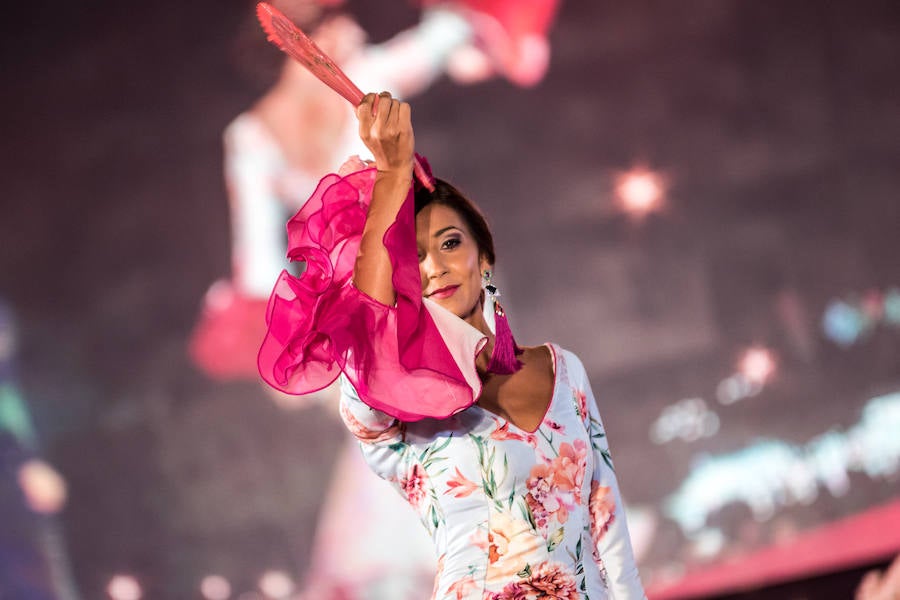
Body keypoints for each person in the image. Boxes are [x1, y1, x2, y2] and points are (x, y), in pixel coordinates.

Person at [257, 91, 647, 598]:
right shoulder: (392, 404)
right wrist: (393, 174)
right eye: (412, 257)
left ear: (483, 256)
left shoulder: (563, 370)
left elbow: (609, 529)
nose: (435, 267)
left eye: (449, 243)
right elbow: (369, 327)